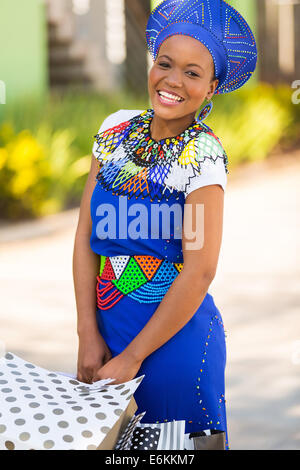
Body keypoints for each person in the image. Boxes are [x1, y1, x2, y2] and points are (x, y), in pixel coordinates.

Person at [73, 0, 257, 450]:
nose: (173, 80)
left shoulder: (203, 157)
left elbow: (199, 271)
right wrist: (87, 334)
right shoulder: (114, 131)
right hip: (106, 338)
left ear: (212, 87)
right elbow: (85, 239)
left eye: (192, 73)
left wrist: (134, 357)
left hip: (174, 350)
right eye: (165, 64)